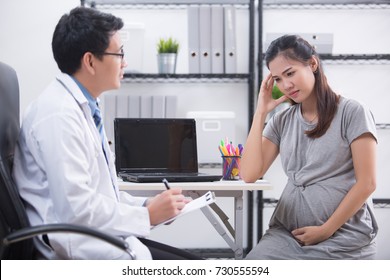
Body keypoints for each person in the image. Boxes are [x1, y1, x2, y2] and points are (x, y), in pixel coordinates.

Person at [12, 7, 201, 260]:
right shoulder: (58, 115)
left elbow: (103, 195)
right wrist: (147, 216)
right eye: (119, 53)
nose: (125, 62)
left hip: (98, 237)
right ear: (90, 61)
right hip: (75, 248)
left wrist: (147, 206)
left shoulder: (82, 106)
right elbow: (77, 209)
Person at [241, 35, 378, 259]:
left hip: (344, 237)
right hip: (287, 236)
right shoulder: (281, 120)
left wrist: (326, 230)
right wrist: (260, 113)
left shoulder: (352, 112)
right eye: (277, 79)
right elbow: (248, 174)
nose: (286, 85)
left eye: (290, 73)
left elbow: (367, 183)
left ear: (312, 64)